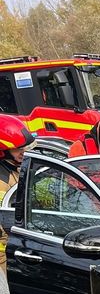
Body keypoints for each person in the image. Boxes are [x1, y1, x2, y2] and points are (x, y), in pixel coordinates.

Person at [0, 115, 35, 276]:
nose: (23, 152)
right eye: (18, 149)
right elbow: (4, 221)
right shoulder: (2, 180)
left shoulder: (15, 168)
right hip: (6, 252)